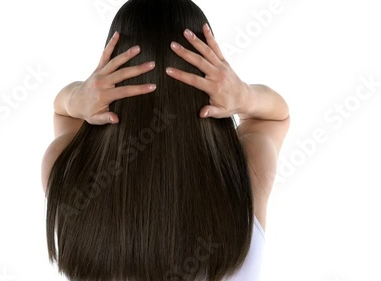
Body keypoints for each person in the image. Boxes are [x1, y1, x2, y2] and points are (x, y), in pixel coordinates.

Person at [41, 0, 290, 280]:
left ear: (110, 75)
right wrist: (244, 95)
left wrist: (75, 98)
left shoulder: (66, 171)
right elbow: (275, 117)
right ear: (207, 78)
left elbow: (63, 112)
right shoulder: (248, 172)